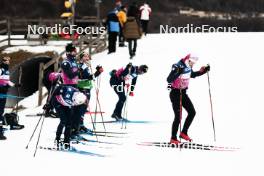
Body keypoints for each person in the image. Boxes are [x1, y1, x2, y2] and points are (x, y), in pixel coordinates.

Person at [167, 54, 210, 144]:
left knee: (192, 112)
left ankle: (183, 133)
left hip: (183, 93)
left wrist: (203, 71)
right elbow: (169, 79)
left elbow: (192, 74)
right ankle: (173, 138)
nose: (193, 64)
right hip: (175, 93)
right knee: (178, 117)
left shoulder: (188, 67)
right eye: (192, 62)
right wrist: (178, 72)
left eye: (194, 63)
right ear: (188, 60)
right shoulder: (177, 65)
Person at [51, 85, 87, 149]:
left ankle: (66, 142)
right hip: (58, 102)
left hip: (67, 104)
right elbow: (57, 89)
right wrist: (49, 105)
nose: (75, 104)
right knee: (63, 121)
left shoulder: (79, 96)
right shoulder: (68, 92)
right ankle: (57, 140)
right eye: (75, 102)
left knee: (69, 123)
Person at [77, 52, 103, 133]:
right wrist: (86, 66)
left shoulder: (86, 65)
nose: (87, 57)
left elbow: (90, 77)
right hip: (82, 87)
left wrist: (98, 72)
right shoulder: (80, 65)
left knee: (84, 107)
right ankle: (78, 125)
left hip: (87, 87)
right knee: (81, 107)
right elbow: (80, 75)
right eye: (85, 56)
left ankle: (80, 124)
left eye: (88, 56)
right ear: (81, 58)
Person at [0, 57, 20, 140]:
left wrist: (15, 85)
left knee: (1, 111)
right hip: (0, 92)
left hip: (3, 93)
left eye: (8, 61)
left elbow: (7, 81)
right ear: (2, 61)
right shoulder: (1, 69)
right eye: (5, 60)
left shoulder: (6, 71)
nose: (7, 62)